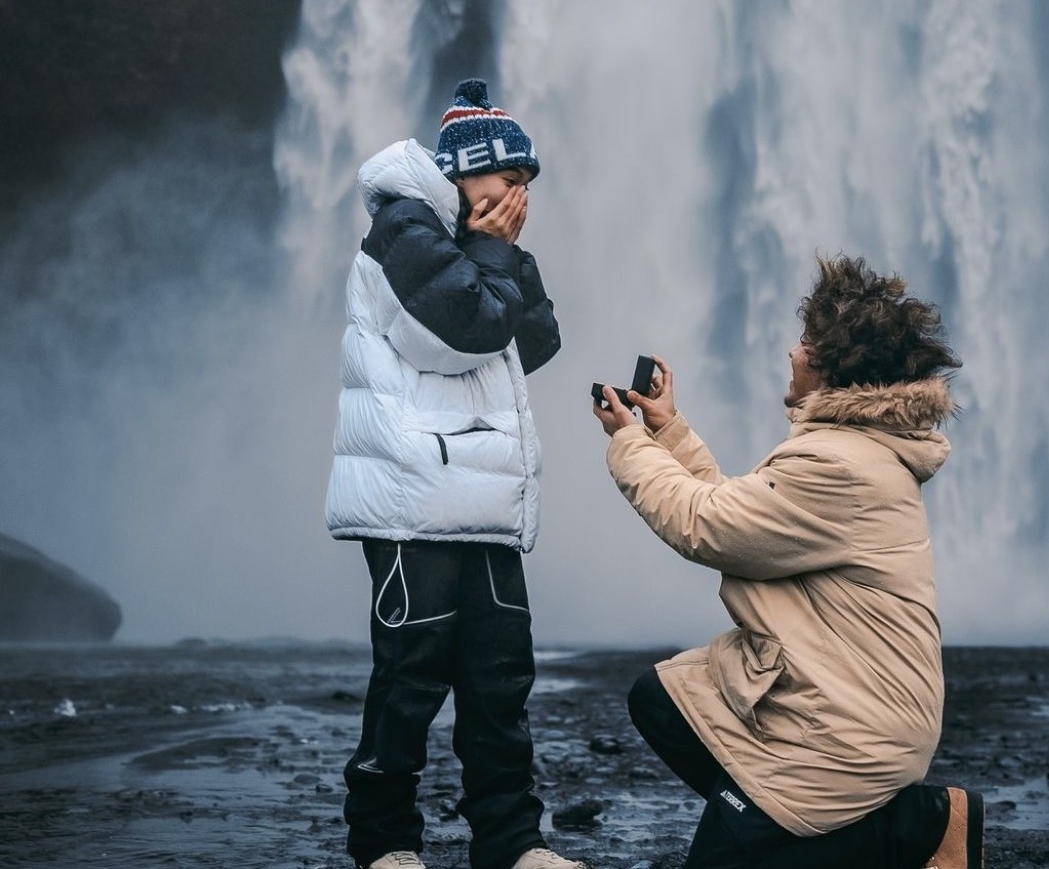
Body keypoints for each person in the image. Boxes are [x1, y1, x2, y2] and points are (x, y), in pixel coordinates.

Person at [592, 255, 984, 869]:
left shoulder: (839, 466)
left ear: (834, 364)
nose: (793, 352)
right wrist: (666, 432)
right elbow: (745, 522)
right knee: (662, 699)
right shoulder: (852, 454)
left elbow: (705, 525)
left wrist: (629, 441)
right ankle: (782, 824)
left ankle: (915, 828)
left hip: (854, 731)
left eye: (807, 342)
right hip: (852, 700)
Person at [326, 79, 582, 869]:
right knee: (409, 678)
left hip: (485, 498)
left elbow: (532, 342)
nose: (518, 198)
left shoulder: (470, 245)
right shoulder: (403, 228)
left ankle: (511, 843)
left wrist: (495, 250)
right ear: (465, 173)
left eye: (526, 186)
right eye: (508, 181)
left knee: (500, 679)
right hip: (413, 504)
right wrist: (491, 253)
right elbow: (467, 329)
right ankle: (383, 844)